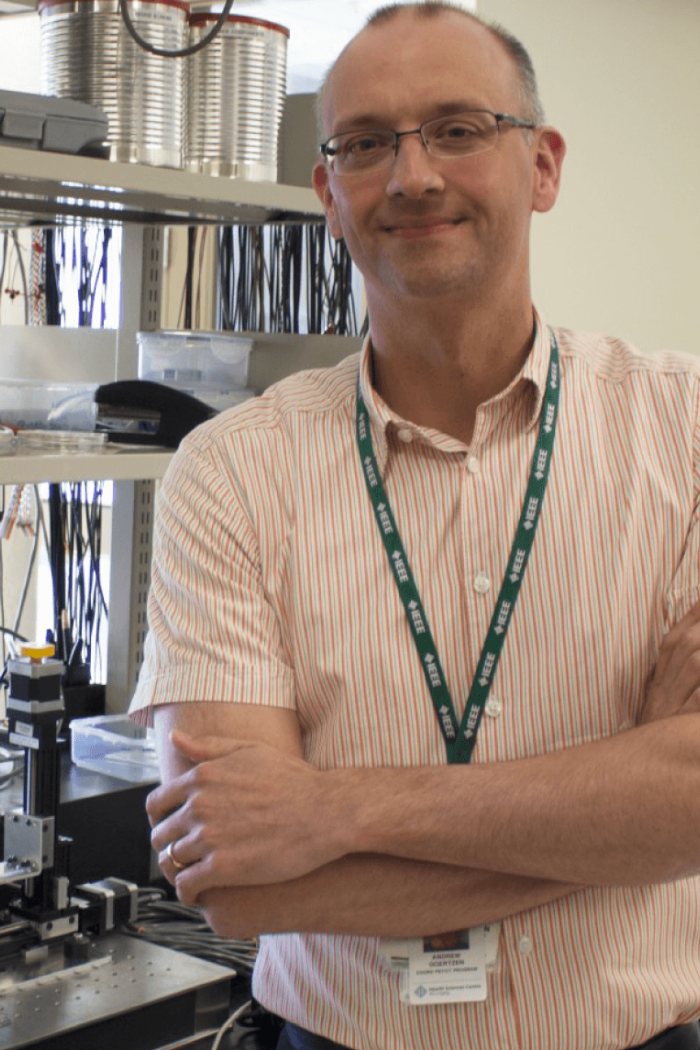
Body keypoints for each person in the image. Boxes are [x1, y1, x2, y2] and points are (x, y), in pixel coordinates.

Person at [131, 4, 700, 1049]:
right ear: (328, 195)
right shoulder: (230, 471)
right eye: (364, 144)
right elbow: (241, 887)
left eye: (457, 129)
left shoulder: (686, 427)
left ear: (543, 167)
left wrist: (332, 812)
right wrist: (629, 821)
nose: (413, 175)